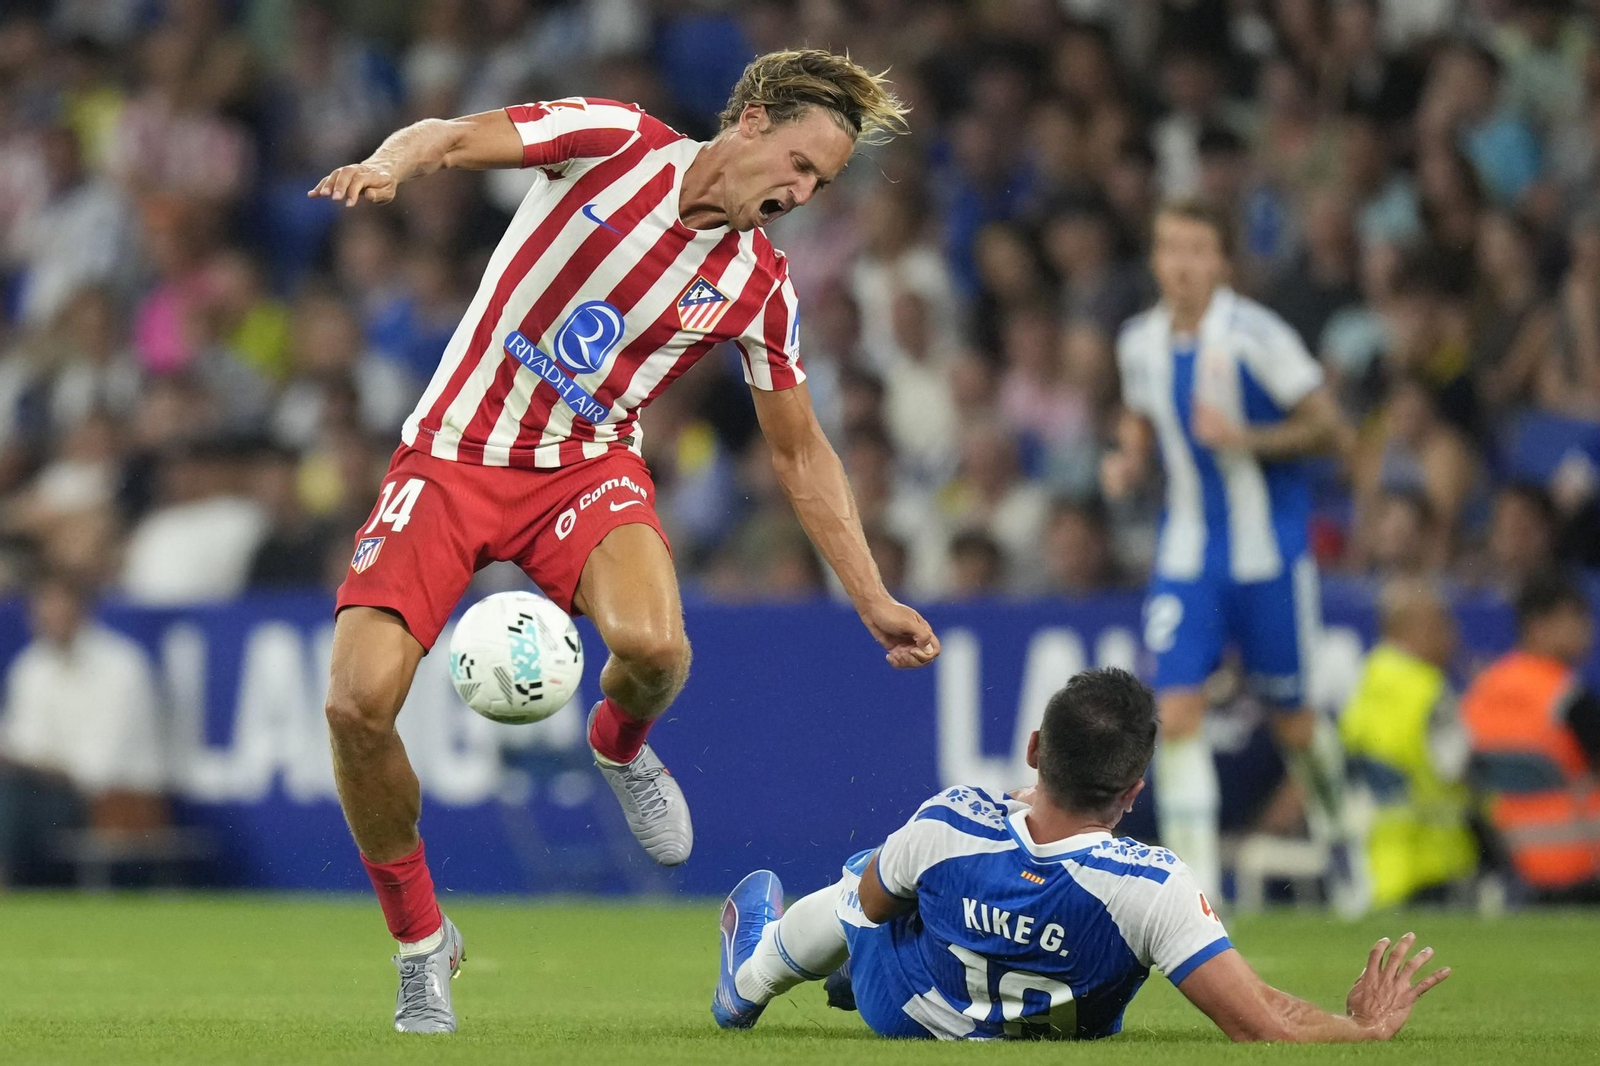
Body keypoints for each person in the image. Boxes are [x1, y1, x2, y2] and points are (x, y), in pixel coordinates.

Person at [304, 49, 941, 1033]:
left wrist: (872, 596)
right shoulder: (611, 141)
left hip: (583, 466)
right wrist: (393, 162)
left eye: (821, 183)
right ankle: (423, 939)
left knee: (653, 648)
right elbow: (450, 137)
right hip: (450, 458)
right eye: (801, 165)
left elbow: (802, 453)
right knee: (354, 705)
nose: (803, 192)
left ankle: (619, 743)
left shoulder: (759, 286)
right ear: (753, 119)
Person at [711, 668, 1450, 1042]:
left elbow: (866, 909)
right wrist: (1363, 1030)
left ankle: (750, 978)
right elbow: (1259, 1022)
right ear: (1132, 791)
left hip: (907, 1012)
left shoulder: (951, 820)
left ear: (1034, 750)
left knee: (869, 876)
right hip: (1042, 1023)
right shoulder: (1154, 885)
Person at [1100, 199, 1353, 901]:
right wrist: (1127, 458)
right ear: (1155, 258)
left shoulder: (1256, 336)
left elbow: (1332, 431)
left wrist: (1249, 439)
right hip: (1187, 557)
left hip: (1269, 557)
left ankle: (1347, 848)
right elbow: (1140, 419)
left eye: (1196, 250)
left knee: (1296, 723)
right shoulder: (1138, 342)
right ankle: (1196, 895)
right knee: (1175, 714)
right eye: (1169, 248)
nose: (1180, 264)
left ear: (1221, 263)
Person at [0, 570, 166, 886]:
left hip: (114, 799)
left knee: (9, 799)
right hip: (38, 794)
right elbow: (23, 744)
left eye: (58, 605)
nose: (50, 615)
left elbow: (98, 769)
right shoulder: (31, 667)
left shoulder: (122, 666)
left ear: (83, 609)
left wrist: (39, 764)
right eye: (42, 607)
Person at [1339, 582, 1477, 911]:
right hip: (1431, 861)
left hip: (1374, 863)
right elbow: (1456, 767)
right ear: (1420, 628)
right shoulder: (1429, 690)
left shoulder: (1362, 683)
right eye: (1445, 624)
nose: (1453, 637)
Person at [1461, 572, 1600, 895]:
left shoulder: (1481, 690)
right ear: (1537, 625)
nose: (1587, 631)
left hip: (1505, 860)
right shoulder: (1568, 698)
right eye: (1574, 619)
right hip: (1577, 865)